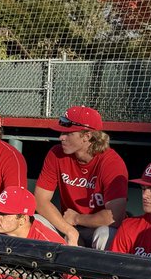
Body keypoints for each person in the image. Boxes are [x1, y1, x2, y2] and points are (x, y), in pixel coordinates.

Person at [35, 106, 128, 250]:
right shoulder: (56, 153)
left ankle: (97, 272)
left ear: (87, 136)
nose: (61, 137)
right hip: (67, 225)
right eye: (62, 132)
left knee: (105, 234)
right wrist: (69, 230)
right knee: (35, 221)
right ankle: (46, 271)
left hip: (95, 227)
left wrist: (77, 218)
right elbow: (40, 201)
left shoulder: (111, 162)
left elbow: (113, 217)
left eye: (68, 133)